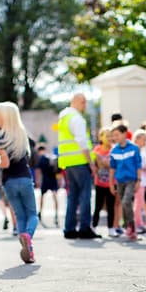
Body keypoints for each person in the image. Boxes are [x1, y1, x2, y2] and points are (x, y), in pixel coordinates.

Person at [0, 102, 38, 264]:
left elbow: (3, 164)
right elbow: (13, 161)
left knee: (20, 215)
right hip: (24, 178)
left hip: (9, 182)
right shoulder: (23, 134)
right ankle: (28, 236)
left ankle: (28, 248)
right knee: (32, 214)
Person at [58, 92, 99, 239]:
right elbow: (82, 142)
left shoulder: (63, 118)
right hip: (80, 162)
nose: (85, 105)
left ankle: (69, 229)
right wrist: (91, 163)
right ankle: (84, 228)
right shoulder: (76, 118)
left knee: (73, 196)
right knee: (85, 196)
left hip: (68, 163)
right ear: (75, 102)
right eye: (83, 102)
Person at [109, 124, 141, 242]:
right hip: (120, 181)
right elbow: (112, 168)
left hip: (131, 180)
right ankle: (129, 228)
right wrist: (111, 184)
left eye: (117, 134)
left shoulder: (134, 148)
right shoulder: (114, 150)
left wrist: (138, 180)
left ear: (124, 134)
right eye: (113, 135)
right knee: (124, 204)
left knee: (126, 201)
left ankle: (130, 226)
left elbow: (138, 165)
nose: (115, 137)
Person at [92, 128, 117, 237]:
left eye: (110, 136)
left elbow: (112, 165)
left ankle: (111, 228)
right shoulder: (96, 149)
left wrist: (104, 163)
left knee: (111, 206)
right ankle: (94, 226)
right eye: (106, 136)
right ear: (100, 137)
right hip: (99, 183)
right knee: (98, 206)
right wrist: (100, 162)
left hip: (111, 183)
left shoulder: (114, 150)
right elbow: (96, 165)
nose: (109, 138)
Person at [133, 129, 146, 234]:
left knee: (140, 203)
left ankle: (140, 223)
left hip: (142, 180)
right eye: (144, 140)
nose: (145, 142)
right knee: (138, 203)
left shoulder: (141, 151)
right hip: (138, 180)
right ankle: (137, 224)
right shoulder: (135, 151)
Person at [35, 145, 59, 226]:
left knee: (42, 197)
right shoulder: (52, 157)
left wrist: (37, 180)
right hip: (53, 179)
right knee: (55, 196)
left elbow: (38, 170)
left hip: (45, 180)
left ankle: (40, 213)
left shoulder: (41, 159)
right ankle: (56, 215)